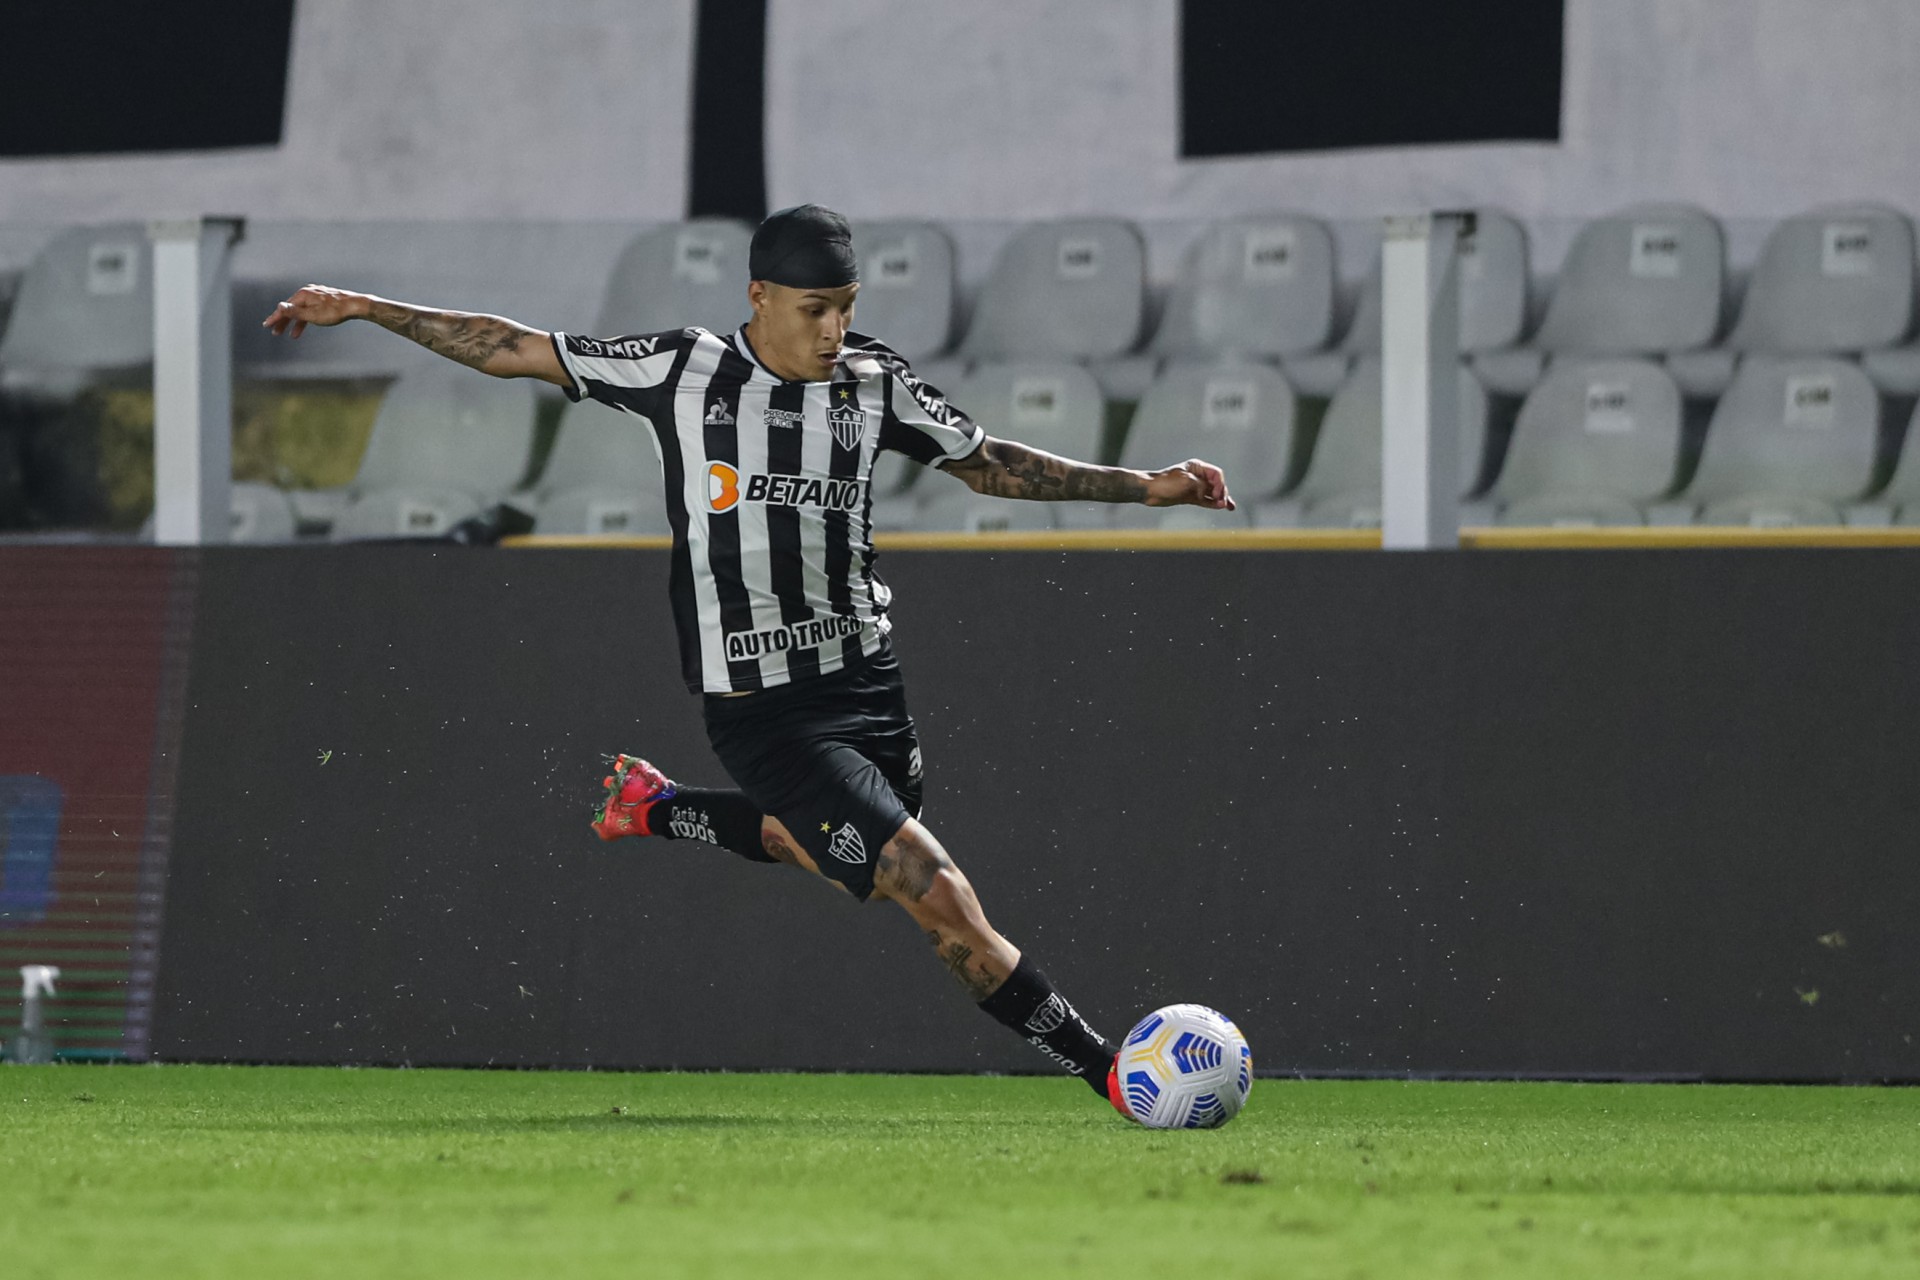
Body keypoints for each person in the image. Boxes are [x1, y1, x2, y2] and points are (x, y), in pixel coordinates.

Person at [263, 204, 1235, 1116]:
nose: (832, 333)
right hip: (762, 708)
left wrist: (1145, 486)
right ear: (760, 297)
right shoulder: (682, 371)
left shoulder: (873, 383)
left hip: (867, 686)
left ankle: (658, 806)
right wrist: (365, 309)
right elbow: (513, 346)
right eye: (816, 310)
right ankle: (1112, 1070)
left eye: (847, 310)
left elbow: (988, 460)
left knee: (827, 849)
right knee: (932, 891)